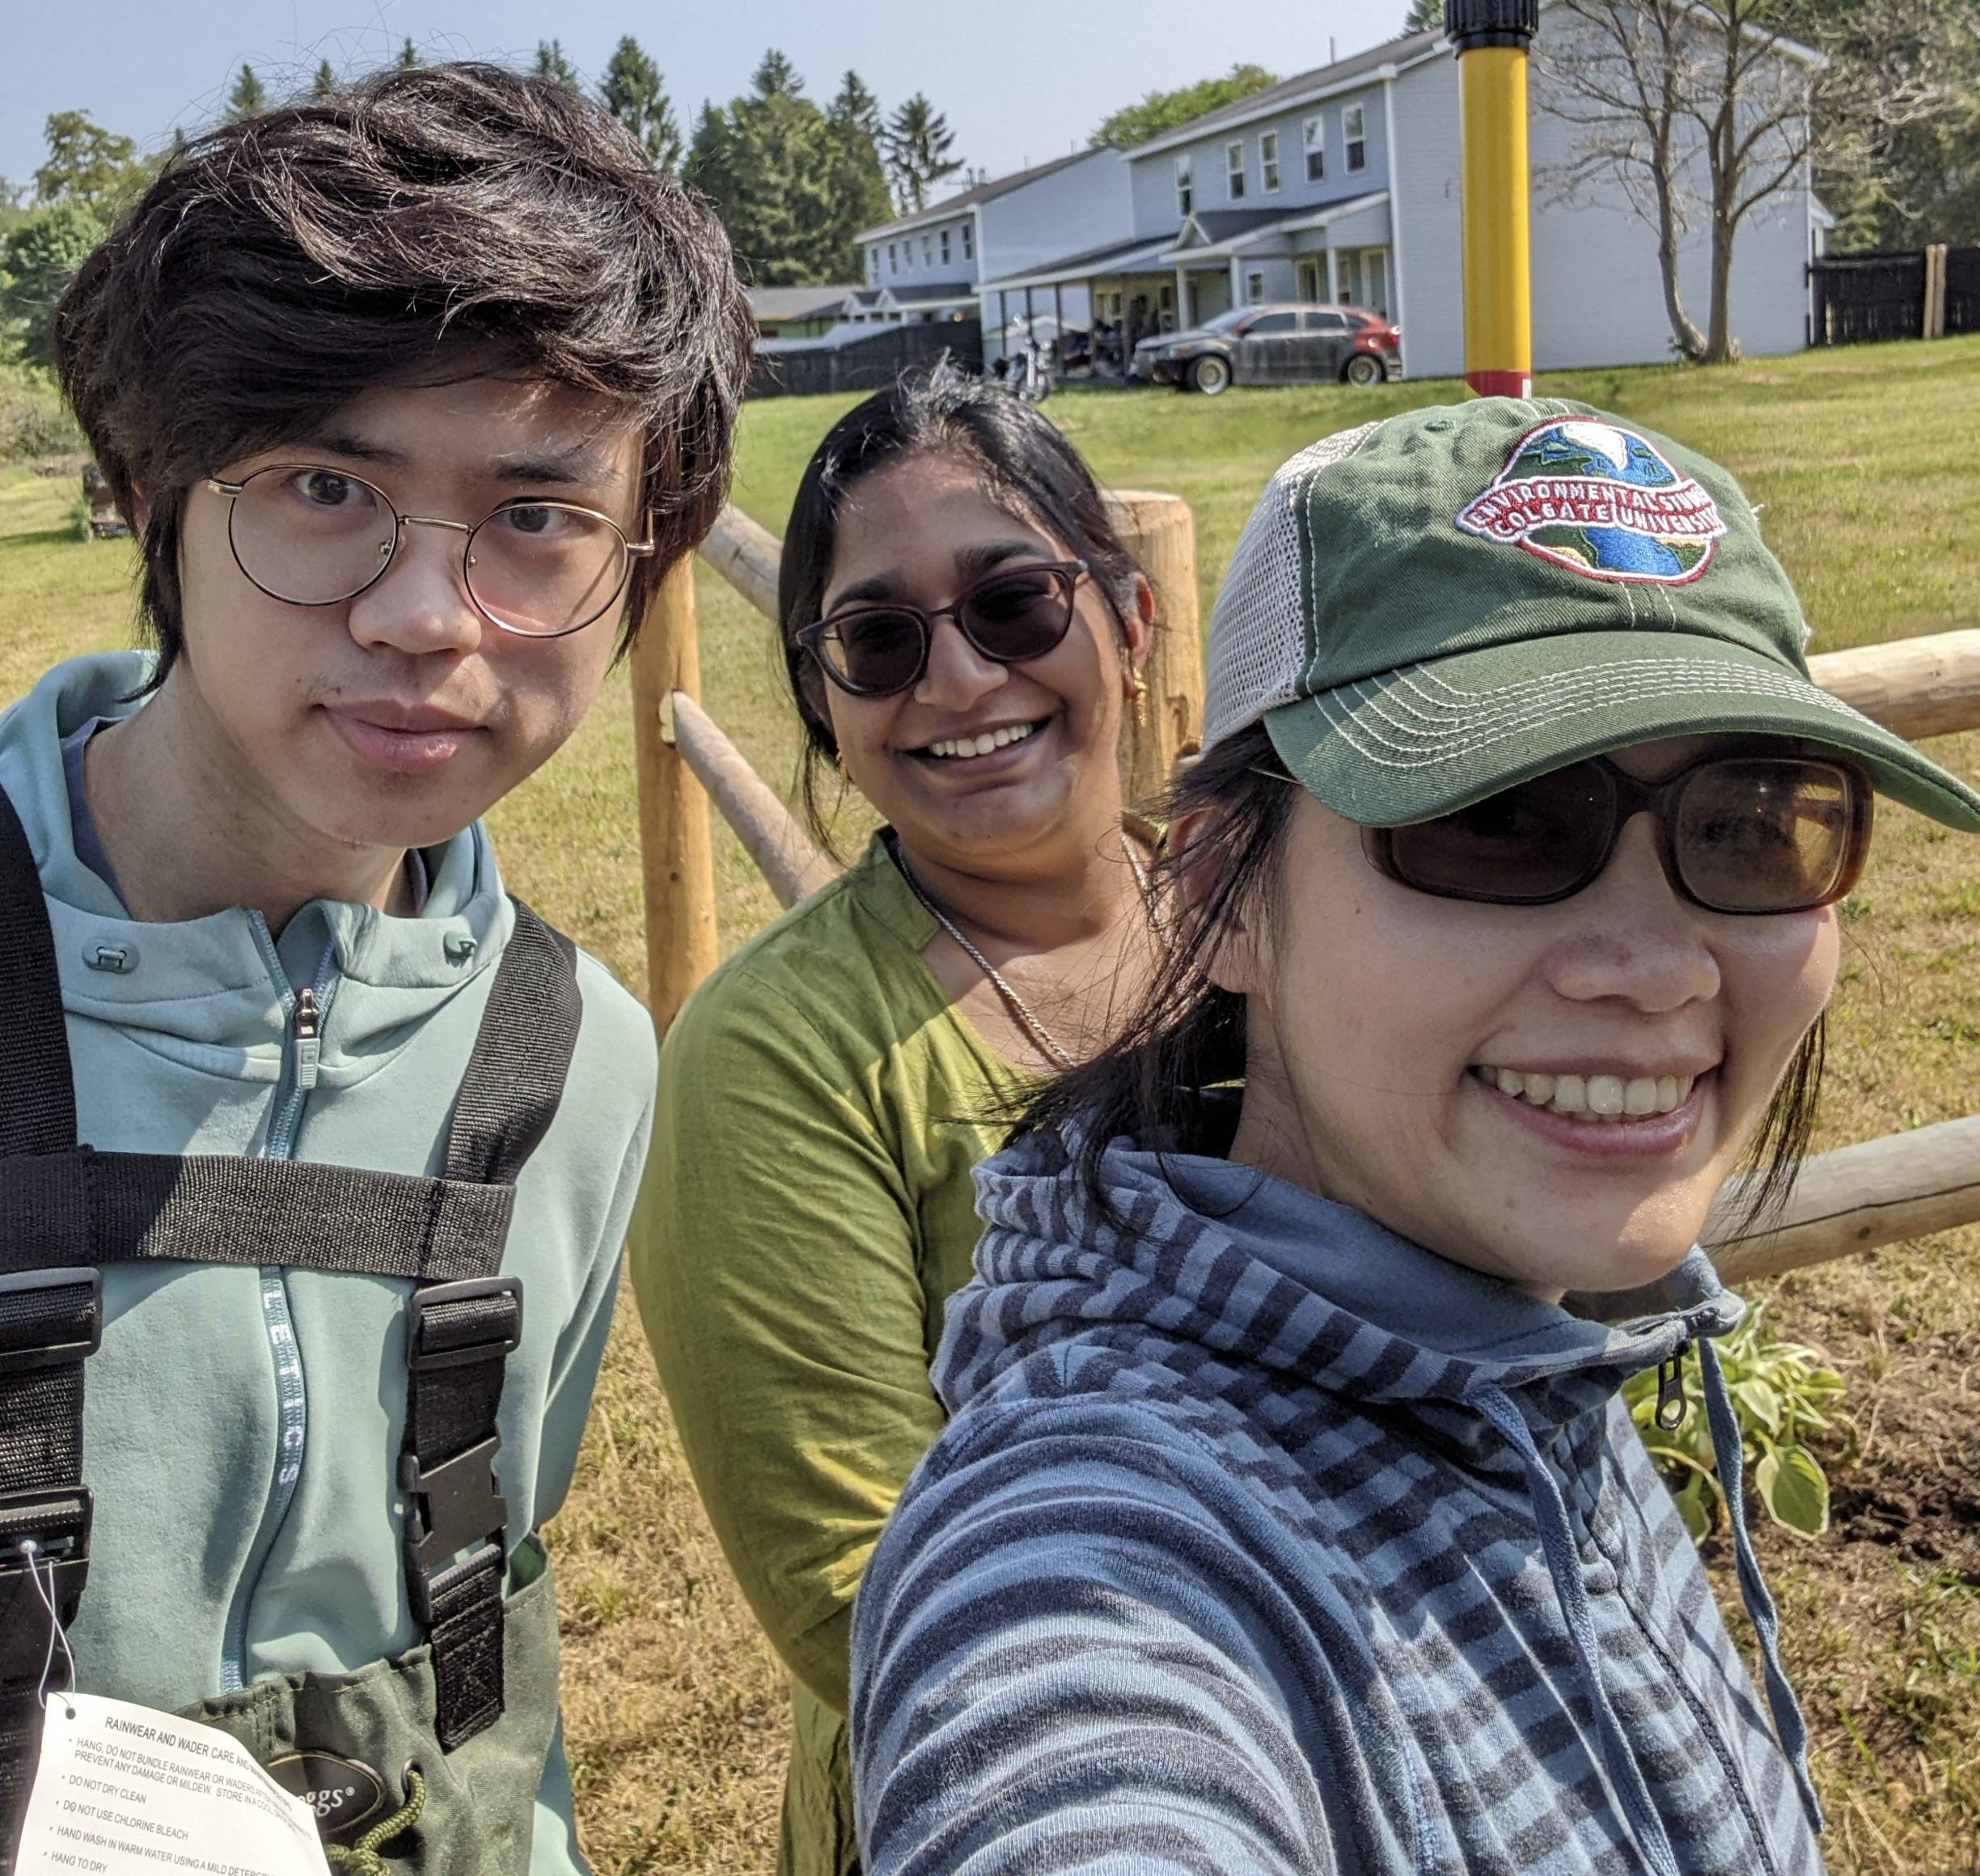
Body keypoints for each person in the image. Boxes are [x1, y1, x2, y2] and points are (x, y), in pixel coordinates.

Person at [850, 401, 1980, 1874]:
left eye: (1753, 821)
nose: (1657, 964)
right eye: (1504, 820)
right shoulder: (1097, 1549)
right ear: (1219, 897)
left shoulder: (1523, 1334)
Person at [0, 64, 751, 1875]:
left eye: (538, 517)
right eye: (329, 485)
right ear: (154, 491)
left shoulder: (578, 1060)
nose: (429, 615)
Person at [629, 366, 1161, 1876]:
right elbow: (853, 1590)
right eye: (878, 641)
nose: (962, 680)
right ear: (822, 700)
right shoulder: (775, 1057)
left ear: (1125, 622)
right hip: (1033, 1803)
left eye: (1015, 605)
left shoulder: (1284, 923)